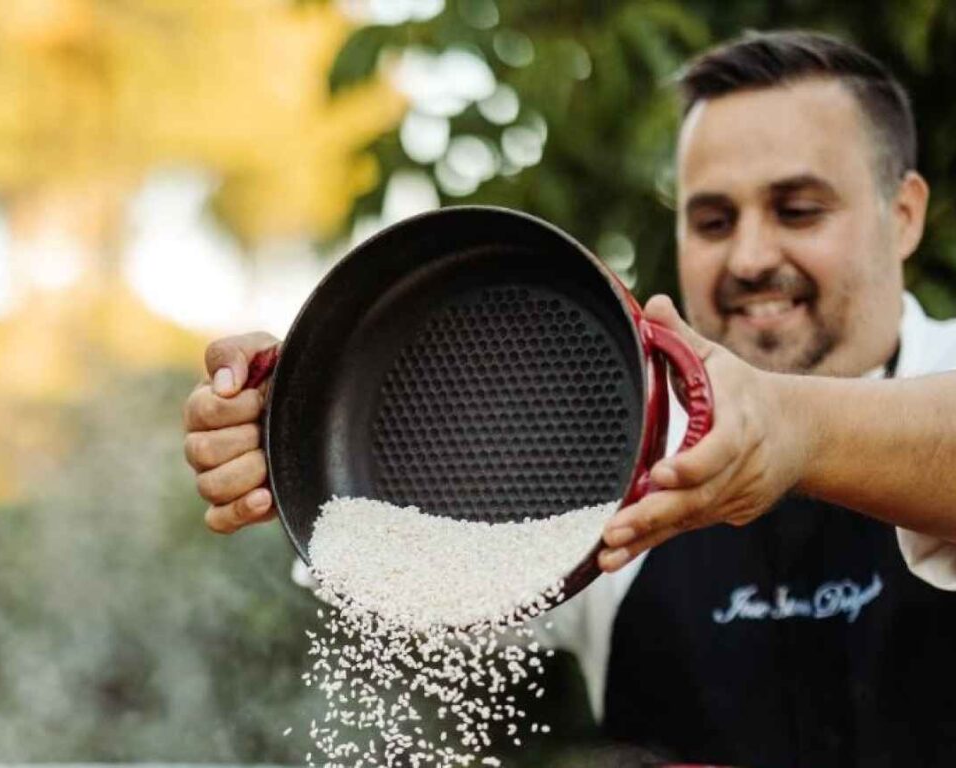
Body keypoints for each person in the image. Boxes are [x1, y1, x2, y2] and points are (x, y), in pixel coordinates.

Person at [182, 31, 956, 767]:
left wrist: (794, 428)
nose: (750, 256)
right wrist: (276, 429)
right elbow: (405, 575)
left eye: (799, 211)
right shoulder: (613, 447)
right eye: (713, 221)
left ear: (904, 214)